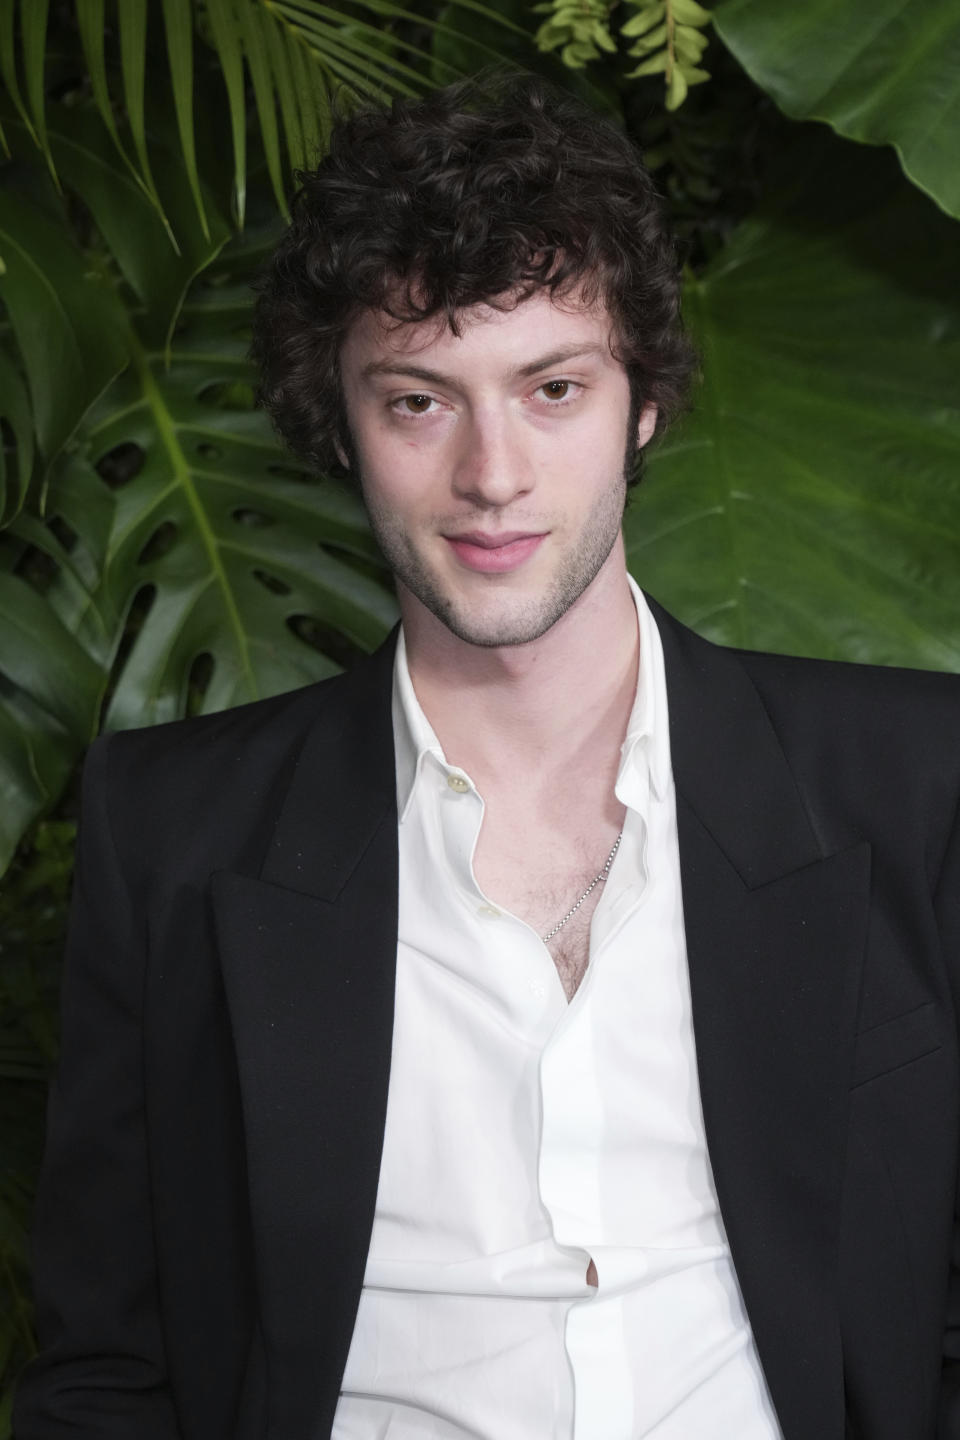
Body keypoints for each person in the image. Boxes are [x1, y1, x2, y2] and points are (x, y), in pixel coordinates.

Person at [13, 72, 960, 1440]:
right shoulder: (174, 834)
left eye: (554, 388)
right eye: (418, 402)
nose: (494, 474)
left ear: (643, 406)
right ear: (338, 425)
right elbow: (107, 1369)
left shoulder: (915, 784)